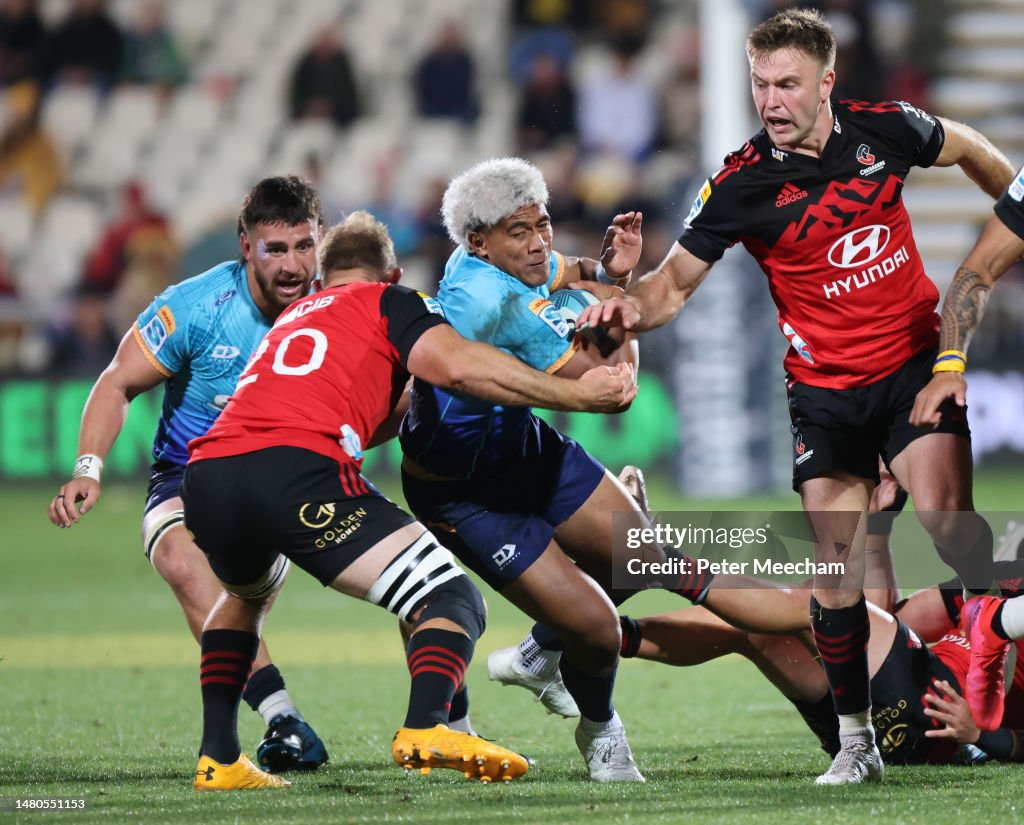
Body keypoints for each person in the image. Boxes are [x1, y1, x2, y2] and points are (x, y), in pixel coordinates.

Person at [573, 8, 1015, 784]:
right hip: (825, 394)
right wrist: (620, 296)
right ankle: (855, 742)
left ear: (826, 83)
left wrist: (1012, 197)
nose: (771, 100)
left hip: (914, 364)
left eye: (787, 83)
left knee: (951, 528)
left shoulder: (888, 131)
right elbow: (670, 288)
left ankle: (991, 665)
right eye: (759, 83)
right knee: (836, 574)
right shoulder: (743, 182)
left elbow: (970, 146)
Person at [180, 210, 638, 790]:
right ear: (392, 275)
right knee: (452, 596)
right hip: (296, 472)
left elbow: (374, 411)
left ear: (322, 280)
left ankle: (218, 759)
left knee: (246, 596)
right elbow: (459, 368)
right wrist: (572, 391)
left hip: (210, 472)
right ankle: (427, 725)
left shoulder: (291, 319)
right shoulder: (394, 304)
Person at [399, 157, 813, 783]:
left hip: (529, 452)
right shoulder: (491, 304)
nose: (540, 242)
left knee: (657, 561)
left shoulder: (487, 260)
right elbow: (616, 388)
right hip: (467, 498)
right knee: (595, 625)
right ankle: (600, 729)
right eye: (521, 231)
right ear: (478, 241)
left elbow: (566, 269)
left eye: (542, 223)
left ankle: (541, 653)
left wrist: (604, 271)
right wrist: (617, 299)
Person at [47, 176, 329, 774]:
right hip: (191, 477)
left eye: (304, 246)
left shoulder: (340, 305)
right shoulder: (196, 307)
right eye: (274, 249)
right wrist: (88, 469)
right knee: (180, 559)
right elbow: (117, 381)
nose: (293, 265)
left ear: (321, 241)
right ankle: (283, 718)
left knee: (408, 566)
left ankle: (446, 720)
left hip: (303, 475)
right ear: (245, 246)